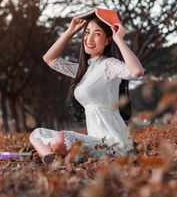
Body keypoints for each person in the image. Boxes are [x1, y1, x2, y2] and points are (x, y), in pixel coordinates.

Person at [29, 12, 144, 165]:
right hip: (94, 142)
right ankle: (48, 156)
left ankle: (52, 152)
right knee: (36, 134)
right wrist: (70, 31)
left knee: (62, 139)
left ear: (108, 40)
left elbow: (137, 71)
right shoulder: (83, 70)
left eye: (97, 34)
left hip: (114, 145)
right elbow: (50, 59)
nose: (89, 39)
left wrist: (119, 39)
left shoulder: (109, 65)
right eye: (87, 33)